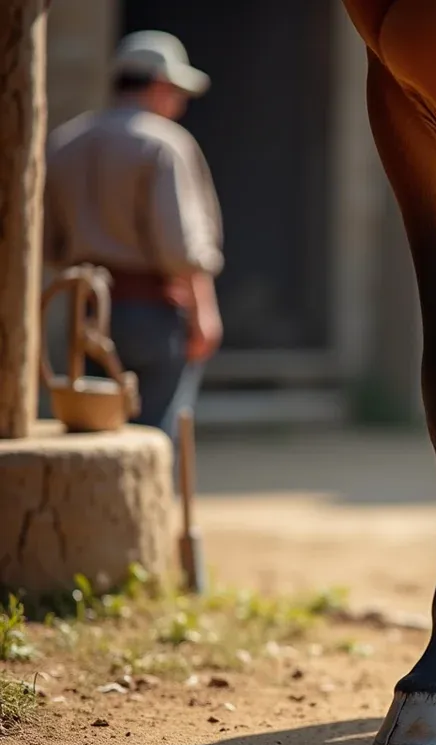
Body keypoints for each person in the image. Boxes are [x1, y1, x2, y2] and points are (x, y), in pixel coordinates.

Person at [43, 30, 224, 445]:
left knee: (94, 429)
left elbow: (50, 243)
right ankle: (150, 511)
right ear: (159, 85)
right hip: (153, 310)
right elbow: (182, 248)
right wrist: (204, 313)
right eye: (177, 92)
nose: (180, 104)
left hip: (85, 312)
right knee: (155, 434)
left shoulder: (65, 142)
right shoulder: (164, 145)